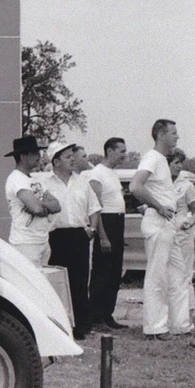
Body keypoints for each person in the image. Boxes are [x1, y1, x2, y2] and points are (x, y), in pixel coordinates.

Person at [38, 142, 101, 339]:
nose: (72, 159)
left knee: (80, 281)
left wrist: (92, 229)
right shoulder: (44, 183)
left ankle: (81, 325)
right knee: (57, 282)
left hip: (79, 236)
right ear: (55, 161)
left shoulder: (82, 182)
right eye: (67, 156)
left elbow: (94, 208)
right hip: (55, 237)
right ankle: (60, 325)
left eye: (73, 155)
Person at [130, 119, 182, 340]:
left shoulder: (161, 160)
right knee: (157, 276)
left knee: (178, 273)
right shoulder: (152, 158)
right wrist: (158, 206)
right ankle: (155, 327)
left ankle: (180, 323)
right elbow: (135, 186)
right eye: (173, 133)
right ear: (161, 135)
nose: (176, 137)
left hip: (168, 223)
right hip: (158, 222)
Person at [86, 138, 129, 329]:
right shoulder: (97, 174)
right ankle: (96, 316)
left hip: (118, 222)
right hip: (107, 223)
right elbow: (96, 207)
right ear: (110, 151)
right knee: (102, 272)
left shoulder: (113, 173)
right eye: (121, 151)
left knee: (114, 272)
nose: (124, 155)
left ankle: (108, 314)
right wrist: (102, 236)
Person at [4, 136, 61, 267]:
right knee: (29, 283)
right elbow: (36, 209)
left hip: (42, 240)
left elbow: (57, 205)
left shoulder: (36, 179)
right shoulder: (16, 179)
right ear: (23, 156)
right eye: (34, 153)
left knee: (43, 280)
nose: (39, 156)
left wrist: (41, 204)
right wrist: (42, 205)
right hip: (26, 243)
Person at [168, 147, 195, 333]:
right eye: (175, 163)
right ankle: (171, 315)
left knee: (185, 274)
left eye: (181, 163)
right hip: (166, 231)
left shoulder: (186, 185)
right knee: (168, 274)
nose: (179, 167)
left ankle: (187, 315)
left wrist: (190, 222)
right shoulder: (160, 183)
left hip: (183, 232)